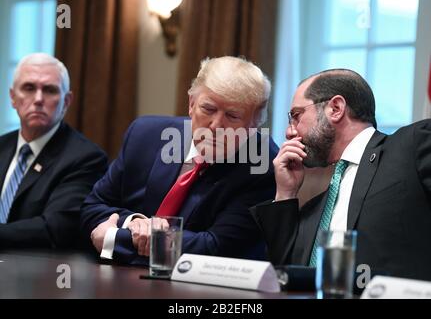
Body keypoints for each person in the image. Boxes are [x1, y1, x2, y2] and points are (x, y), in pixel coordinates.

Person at [81, 56, 278, 265]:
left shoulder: (263, 165)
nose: (215, 126)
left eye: (233, 116)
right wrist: (134, 222)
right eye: (208, 109)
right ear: (191, 104)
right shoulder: (145, 135)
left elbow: (214, 249)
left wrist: (113, 238)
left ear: (255, 123)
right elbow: (93, 206)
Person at [251, 69, 431, 281]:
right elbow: (282, 275)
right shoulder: (314, 209)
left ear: (335, 109)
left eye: (297, 116)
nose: (289, 132)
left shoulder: (411, 146)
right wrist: (285, 194)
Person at [0, 53, 108, 249]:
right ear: (13, 97)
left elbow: (54, 229)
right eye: (29, 88)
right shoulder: (3, 146)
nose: (38, 99)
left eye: (49, 90)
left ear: (66, 101)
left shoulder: (85, 158)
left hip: (39, 273)